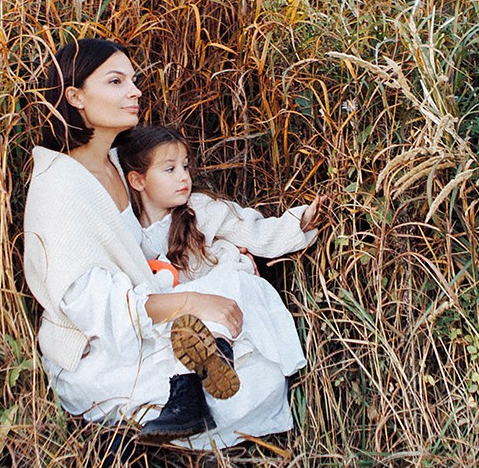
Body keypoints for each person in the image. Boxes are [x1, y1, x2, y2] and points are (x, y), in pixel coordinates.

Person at [19, 37, 316, 449]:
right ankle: (168, 408)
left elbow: (178, 218)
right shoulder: (60, 188)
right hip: (101, 347)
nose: (135, 91)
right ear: (76, 96)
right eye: (116, 81)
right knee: (244, 364)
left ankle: (196, 390)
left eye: (134, 80)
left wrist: (237, 249)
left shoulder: (120, 164)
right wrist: (193, 303)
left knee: (244, 303)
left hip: (149, 309)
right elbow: (93, 307)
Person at [115, 123, 323, 384]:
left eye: (186, 167)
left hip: (220, 305)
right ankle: (197, 370)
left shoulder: (201, 209)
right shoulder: (129, 232)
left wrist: (301, 221)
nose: (183, 177)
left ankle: (218, 354)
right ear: (137, 180)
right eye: (170, 169)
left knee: (230, 281)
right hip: (180, 314)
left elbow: (252, 231)